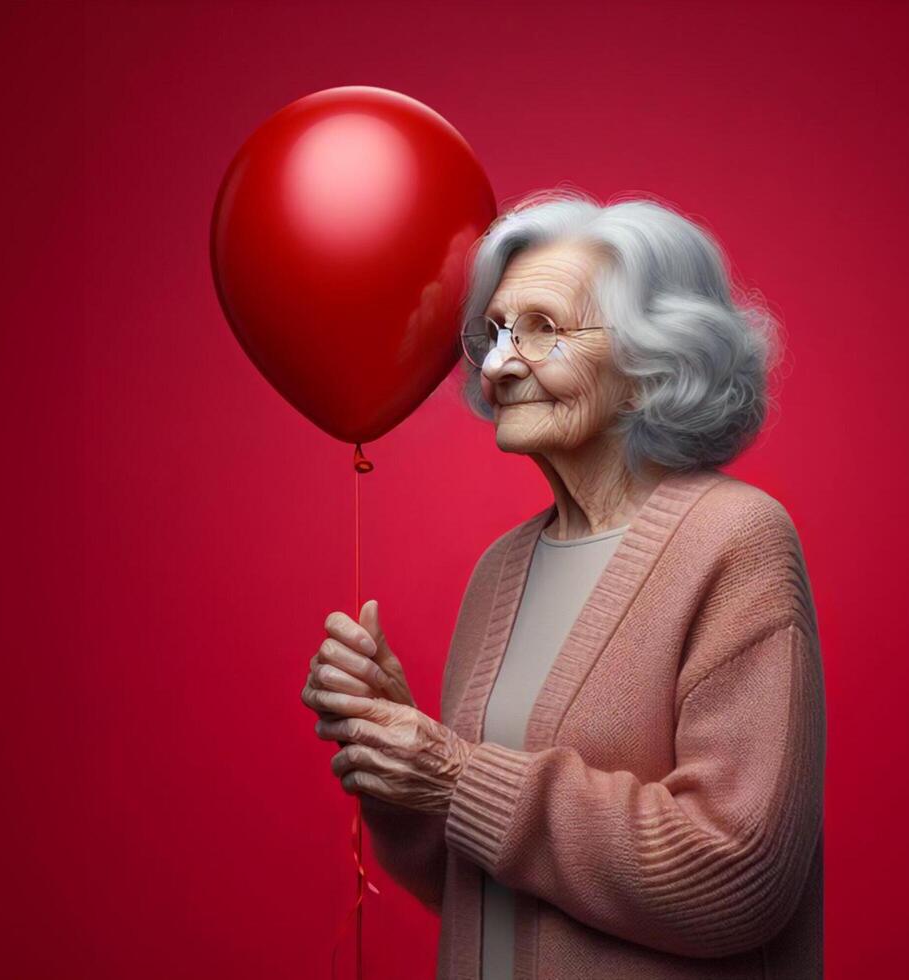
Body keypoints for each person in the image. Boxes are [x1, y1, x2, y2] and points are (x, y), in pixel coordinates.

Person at [302, 189, 825, 978]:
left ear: (653, 365)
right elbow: (484, 885)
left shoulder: (736, 540)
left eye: (544, 330)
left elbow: (737, 875)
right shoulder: (500, 570)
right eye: (498, 332)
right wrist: (396, 762)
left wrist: (453, 772)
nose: (501, 364)